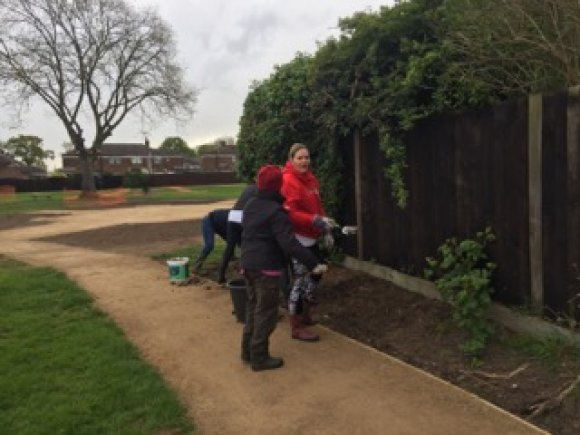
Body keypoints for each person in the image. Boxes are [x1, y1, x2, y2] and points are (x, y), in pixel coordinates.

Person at [240, 164, 327, 371]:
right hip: (266, 269)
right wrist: (314, 263)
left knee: (253, 308)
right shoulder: (276, 211)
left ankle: (247, 351)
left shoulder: (251, 204)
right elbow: (289, 244)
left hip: (247, 265)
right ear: (278, 187)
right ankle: (259, 358)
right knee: (267, 313)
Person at [281, 143, 336, 342]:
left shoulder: (311, 179)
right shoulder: (289, 181)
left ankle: (305, 312)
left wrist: (325, 224)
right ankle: (296, 326)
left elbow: (317, 206)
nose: (304, 161)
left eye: (307, 157)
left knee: (317, 273)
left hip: (312, 237)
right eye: (300, 158)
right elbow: (291, 213)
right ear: (292, 160)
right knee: (299, 281)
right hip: (297, 239)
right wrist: (312, 220)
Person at [216, 183, 258, 284]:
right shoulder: (262, 189)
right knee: (249, 246)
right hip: (244, 216)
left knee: (230, 247)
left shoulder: (249, 187)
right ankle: (247, 274)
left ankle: (220, 276)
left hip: (233, 215)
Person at [191, 208, 230, 273]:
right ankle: (197, 266)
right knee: (209, 246)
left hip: (220, 224)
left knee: (231, 241)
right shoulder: (236, 217)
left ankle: (232, 258)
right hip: (209, 222)